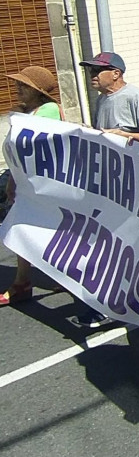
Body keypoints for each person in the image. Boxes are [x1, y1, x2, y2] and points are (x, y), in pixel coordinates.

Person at [75, 52, 139, 327]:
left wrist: (127, 136)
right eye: (90, 71)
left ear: (117, 73)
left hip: (133, 183)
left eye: (98, 71)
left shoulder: (134, 96)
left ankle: (133, 298)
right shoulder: (101, 100)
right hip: (111, 183)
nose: (92, 77)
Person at [0, 66, 63, 306]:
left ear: (38, 91)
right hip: (29, 180)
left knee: (33, 227)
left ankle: (24, 282)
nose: (18, 89)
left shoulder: (47, 110)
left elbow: (28, 145)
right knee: (27, 226)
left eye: (24, 86)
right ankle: (24, 281)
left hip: (44, 183)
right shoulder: (30, 112)